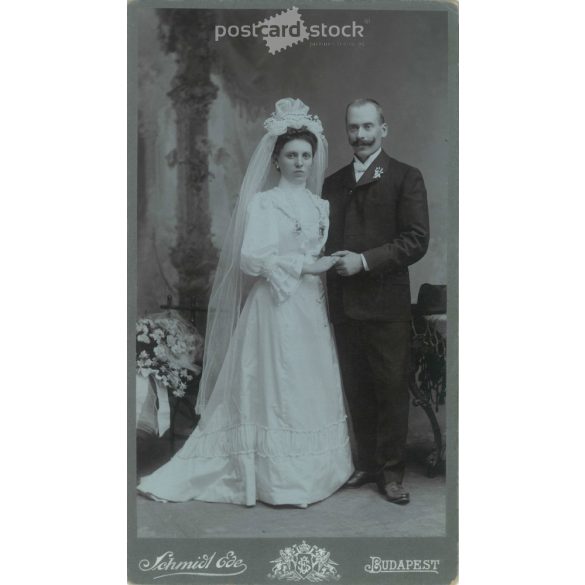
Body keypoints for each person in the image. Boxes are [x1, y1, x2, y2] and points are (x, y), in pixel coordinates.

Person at [137, 98, 353, 507]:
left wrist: (321, 266)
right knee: (277, 384)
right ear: (275, 159)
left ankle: (316, 472)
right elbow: (251, 257)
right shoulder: (264, 203)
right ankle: (275, 478)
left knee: (309, 383)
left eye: (306, 155)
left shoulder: (318, 204)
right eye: (291, 155)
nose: (300, 163)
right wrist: (307, 266)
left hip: (310, 308)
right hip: (274, 308)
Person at [322, 98, 430, 505]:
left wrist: (365, 261)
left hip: (386, 305)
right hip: (344, 304)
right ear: (347, 131)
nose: (361, 136)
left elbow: (416, 239)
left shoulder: (405, 177)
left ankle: (391, 473)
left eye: (369, 127)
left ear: (383, 129)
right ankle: (366, 463)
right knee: (357, 387)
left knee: (389, 389)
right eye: (354, 128)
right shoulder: (333, 183)